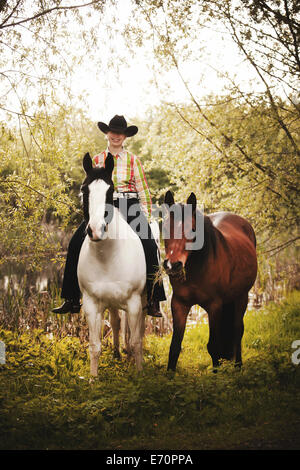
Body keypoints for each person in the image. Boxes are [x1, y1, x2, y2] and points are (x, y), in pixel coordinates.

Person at [52, 115, 166, 317]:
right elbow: (88, 190)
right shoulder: (96, 160)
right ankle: (71, 298)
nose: (116, 136)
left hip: (130, 204)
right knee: (75, 243)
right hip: (103, 205)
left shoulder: (133, 160)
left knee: (149, 243)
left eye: (120, 133)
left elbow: (144, 190)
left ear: (125, 136)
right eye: (113, 132)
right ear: (107, 134)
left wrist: (145, 215)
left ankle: (154, 298)